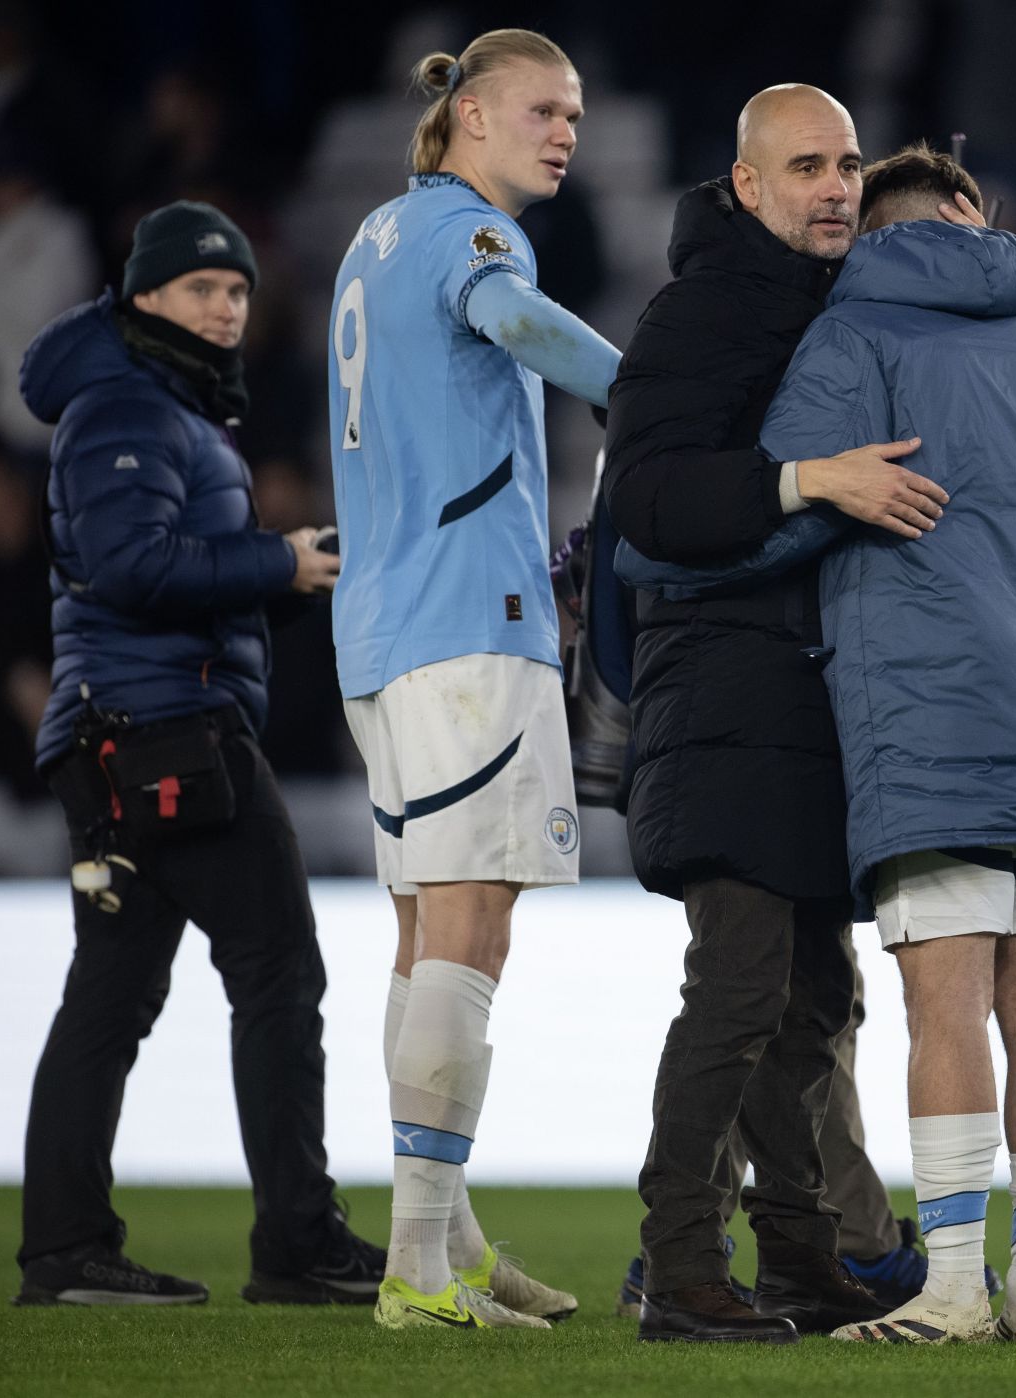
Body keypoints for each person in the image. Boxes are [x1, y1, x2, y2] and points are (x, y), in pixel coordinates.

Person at [619, 145, 1016, 1345]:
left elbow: (798, 514)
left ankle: (950, 1285)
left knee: (940, 1005)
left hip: (928, 714)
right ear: (976, 215)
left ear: (878, 231)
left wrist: (655, 558)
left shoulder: (855, 337)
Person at [602, 84, 946, 1345]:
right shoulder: (701, 310)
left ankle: (803, 1263)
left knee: (813, 1002)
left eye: (849, 164)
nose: (836, 188)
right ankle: (683, 1266)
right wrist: (814, 479)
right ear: (746, 185)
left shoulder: (819, 308)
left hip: (797, 702)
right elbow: (647, 500)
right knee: (740, 992)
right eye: (806, 166)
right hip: (723, 691)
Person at [13, 200, 382, 1306]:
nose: (227, 310)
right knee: (278, 973)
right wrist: (276, 562)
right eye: (202, 290)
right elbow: (135, 569)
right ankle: (297, 1245)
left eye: (237, 293)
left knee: (112, 1000)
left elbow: (151, 571)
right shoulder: (125, 407)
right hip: (166, 733)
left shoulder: (147, 403)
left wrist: (279, 571)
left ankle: (67, 1253)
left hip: (124, 735)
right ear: (143, 300)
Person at [326, 28, 622, 1332]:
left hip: (383, 629)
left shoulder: (375, 237)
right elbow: (508, 319)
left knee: (420, 928)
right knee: (473, 924)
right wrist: (644, 390)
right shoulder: (472, 239)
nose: (567, 131)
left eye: (574, 112)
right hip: (464, 623)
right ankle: (416, 1265)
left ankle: (445, 1234)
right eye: (545, 109)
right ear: (474, 118)